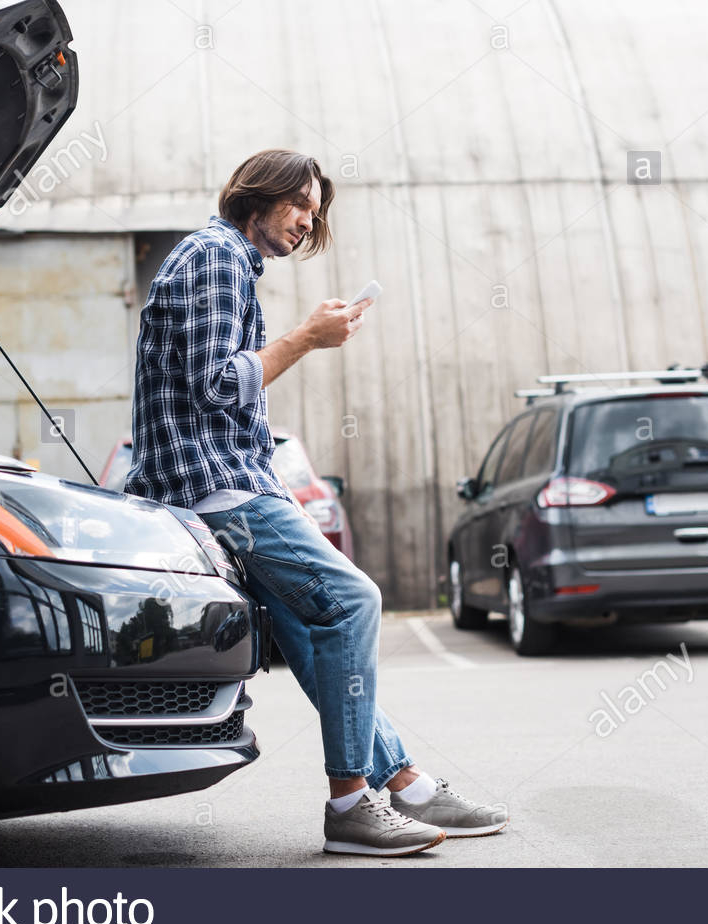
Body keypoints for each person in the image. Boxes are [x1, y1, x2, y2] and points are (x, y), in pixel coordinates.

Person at [124, 149, 506, 856]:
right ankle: (351, 804)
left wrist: (301, 338)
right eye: (300, 203)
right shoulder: (217, 257)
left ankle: (409, 785)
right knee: (354, 600)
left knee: (310, 630)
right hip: (215, 488)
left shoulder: (223, 260)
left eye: (315, 210)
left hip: (225, 480)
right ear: (256, 195)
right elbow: (214, 383)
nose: (308, 220)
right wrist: (306, 337)